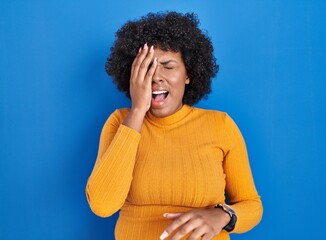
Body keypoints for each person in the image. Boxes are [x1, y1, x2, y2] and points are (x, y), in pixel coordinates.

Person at [86, 11, 263, 240]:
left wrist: (222, 216)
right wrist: (138, 111)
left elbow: (252, 205)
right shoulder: (120, 122)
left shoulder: (221, 125)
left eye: (168, 66)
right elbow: (102, 205)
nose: (156, 77)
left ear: (188, 74)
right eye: (146, 68)